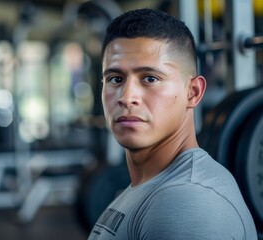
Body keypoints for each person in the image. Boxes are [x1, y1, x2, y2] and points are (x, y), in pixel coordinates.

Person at [88, 8, 257, 240]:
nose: (127, 97)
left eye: (150, 78)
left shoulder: (190, 203)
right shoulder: (151, 188)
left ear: (193, 92)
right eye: (115, 79)